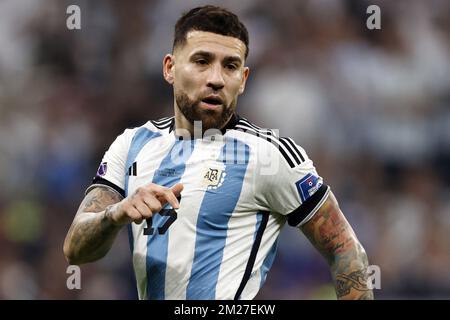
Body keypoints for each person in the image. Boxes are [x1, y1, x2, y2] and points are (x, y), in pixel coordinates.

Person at [63, 5, 373, 300]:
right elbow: (76, 249)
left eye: (230, 66)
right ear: (170, 68)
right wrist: (115, 214)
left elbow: (345, 250)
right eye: (201, 61)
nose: (216, 79)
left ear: (243, 80)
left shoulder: (268, 155)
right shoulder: (131, 144)